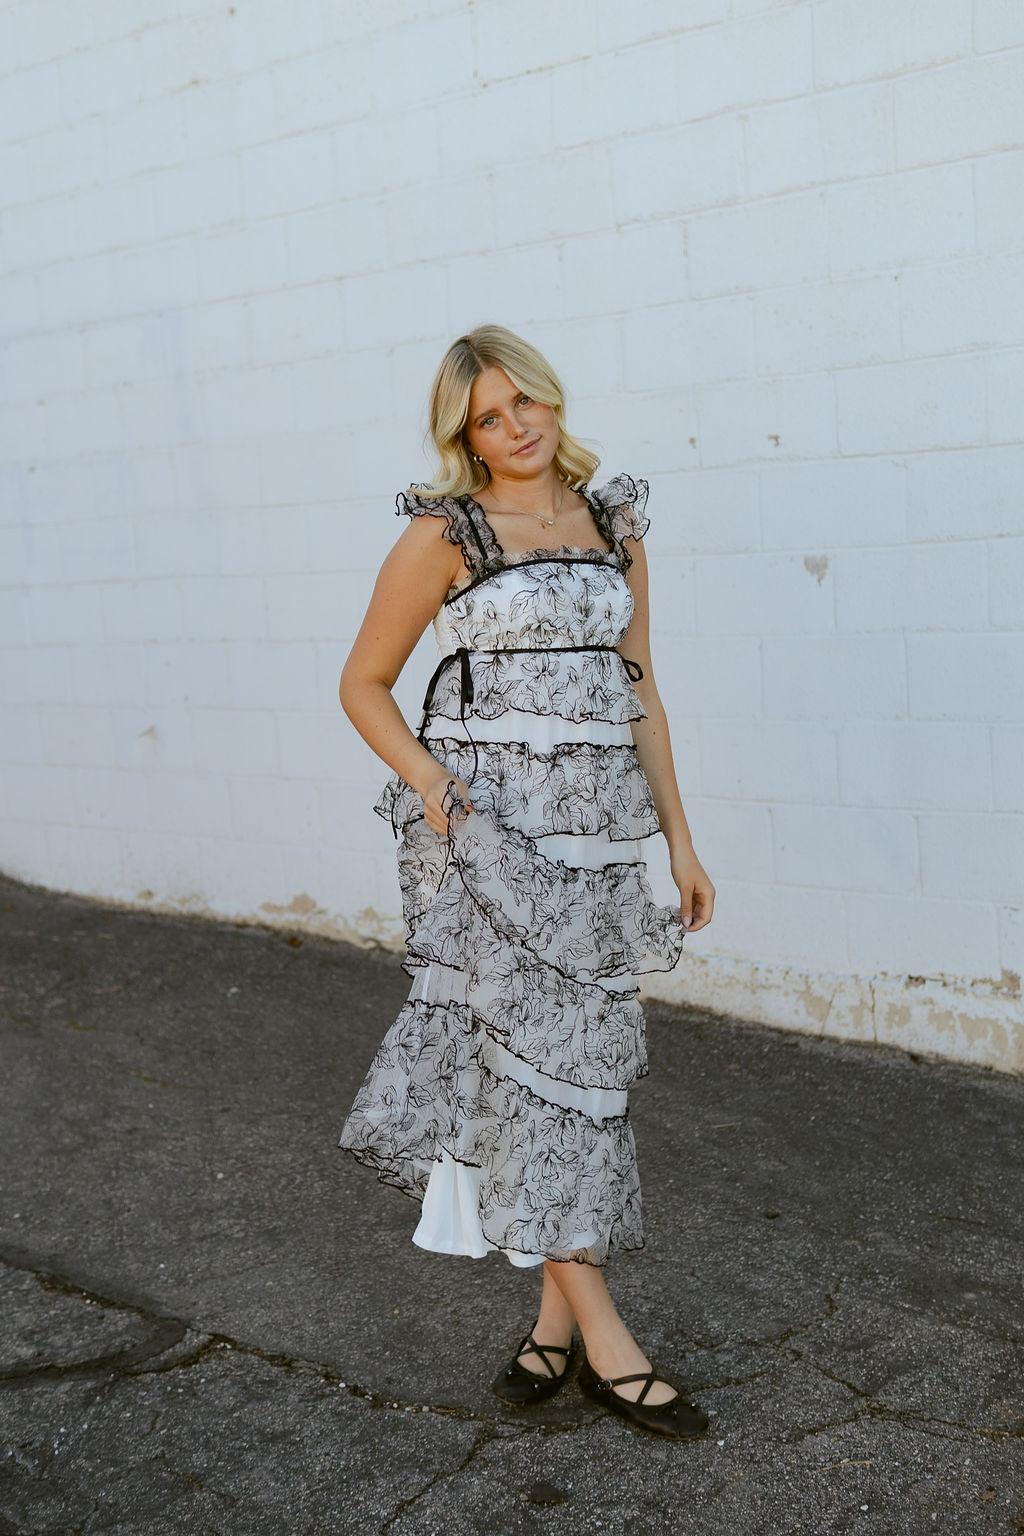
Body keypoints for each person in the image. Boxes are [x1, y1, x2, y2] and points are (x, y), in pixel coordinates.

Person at [337, 323, 716, 1440]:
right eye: (488, 418)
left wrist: (680, 845)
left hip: (600, 854)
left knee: (582, 1083)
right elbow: (362, 683)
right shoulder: (442, 533)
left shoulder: (613, 528)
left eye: (525, 404)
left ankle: (550, 1329)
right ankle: (607, 1339)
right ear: (465, 435)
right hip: (496, 847)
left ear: (552, 400)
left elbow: (638, 693)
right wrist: (433, 786)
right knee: (522, 1075)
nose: (515, 430)